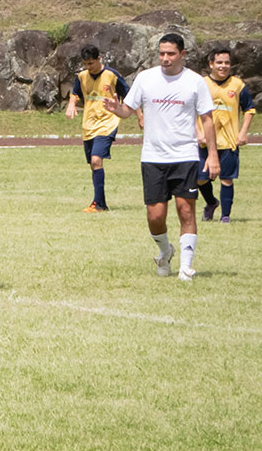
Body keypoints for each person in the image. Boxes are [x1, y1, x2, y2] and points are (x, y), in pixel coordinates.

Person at [104, 33, 218, 281]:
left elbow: (207, 120)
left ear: (183, 55)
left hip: (185, 155)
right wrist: (117, 110)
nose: (165, 58)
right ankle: (165, 251)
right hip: (153, 157)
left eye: (171, 54)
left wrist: (212, 156)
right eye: (162, 53)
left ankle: (186, 267)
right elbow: (128, 109)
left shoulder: (195, 82)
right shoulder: (146, 78)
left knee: (185, 210)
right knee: (155, 216)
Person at [64, 44, 140, 212]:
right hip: (89, 124)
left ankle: (97, 204)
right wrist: (71, 104)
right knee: (93, 164)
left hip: (108, 123)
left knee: (96, 159)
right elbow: (75, 93)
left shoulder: (112, 75)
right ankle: (101, 203)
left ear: (99, 59)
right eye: (85, 64)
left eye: (91, 63)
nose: (88, 67)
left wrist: (140, 117)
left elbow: (130, 96)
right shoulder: (82, 76)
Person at [196, 48, 255, 223]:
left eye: (227, 63)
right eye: (219, 62)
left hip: (229, 141)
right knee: (200, 179)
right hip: (204, 142)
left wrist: (243, 133)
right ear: (211, 64)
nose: (223, 66)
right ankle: (211, 202)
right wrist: (198, 133)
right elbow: (190, 109)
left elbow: (249, 109)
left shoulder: (238, 85)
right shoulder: (202, 84)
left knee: (226, 179)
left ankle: (225, 216)